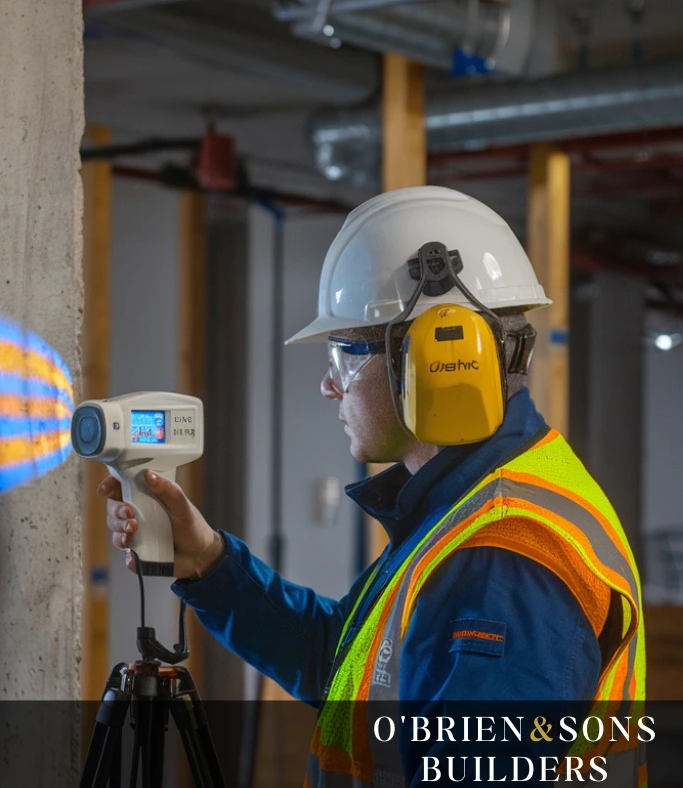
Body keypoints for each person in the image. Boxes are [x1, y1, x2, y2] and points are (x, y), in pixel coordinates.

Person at [97, 187, 645, 787]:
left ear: (435, 358)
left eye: (343, 354)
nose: (328, 386)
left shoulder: (504, 559)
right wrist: (209, 561)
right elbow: (348, 669)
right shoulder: (468, 509)